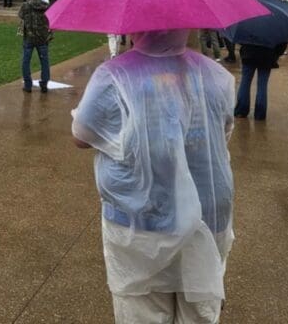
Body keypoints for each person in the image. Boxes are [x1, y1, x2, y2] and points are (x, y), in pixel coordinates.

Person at [72, 30, 235, 323]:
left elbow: (83, 135)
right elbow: (223, 133)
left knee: (142, 308)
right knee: (198, 308)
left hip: (141, 216)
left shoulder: (115, 76)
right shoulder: (216, 75)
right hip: (208, 211)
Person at [234, 42, 287, 120]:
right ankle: (260, 114)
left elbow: (241, 39)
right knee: (262, 85)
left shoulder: (249, 28)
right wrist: (275, 54)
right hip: (267, 55)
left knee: (245, 82)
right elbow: (282, 44)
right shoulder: (275, 29)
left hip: (249, 53)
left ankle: (241, 111)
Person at [18, 0, 52, 92]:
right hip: (43, 37)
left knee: (26, 61)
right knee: (44, 61)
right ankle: (44, 84)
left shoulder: (25, 6)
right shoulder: (46, 6)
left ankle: (28, 85)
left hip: (29, 37)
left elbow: (20, 15)